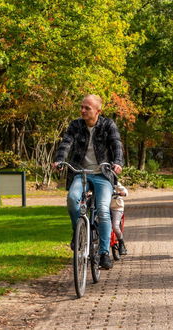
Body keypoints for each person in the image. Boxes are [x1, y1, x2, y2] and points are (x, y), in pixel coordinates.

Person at [53, 94, 123, 270]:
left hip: (103, 174)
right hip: (80, 173)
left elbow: (116, 145)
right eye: (82, 107)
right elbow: (66, 143)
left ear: (98, 111)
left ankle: (104, 253)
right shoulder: (75, 125)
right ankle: (79, 233)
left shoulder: (108, 125)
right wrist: (60, 159)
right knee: (72, 199)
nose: (82, 110)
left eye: (87, 108)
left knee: (103, 210)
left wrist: (118, 163)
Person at [111, 181, 128, 255]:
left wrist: (123, 193)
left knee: (115, 226)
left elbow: (125, 191)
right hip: (104, 207)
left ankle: (121, 243)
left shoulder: (115, 183)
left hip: (116, 207)